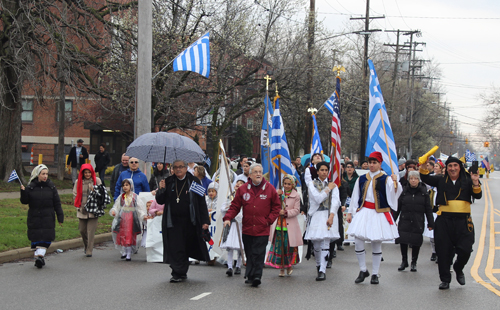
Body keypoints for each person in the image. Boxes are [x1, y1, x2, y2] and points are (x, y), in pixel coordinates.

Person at [420, 157, 481, 290]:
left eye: (455, 165)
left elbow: (478, 195)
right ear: (446, 169)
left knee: (465, 249)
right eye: (450, 166)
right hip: (444, 221)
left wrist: (475, 182)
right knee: (443, 251)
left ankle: (458, 268)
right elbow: (425, 178)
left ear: (460, 167)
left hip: (463, 221)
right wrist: (423, 166)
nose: (452, 168)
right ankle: (445, 279)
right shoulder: (441, 180)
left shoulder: (468, 180)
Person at [346, 151, 402, 284]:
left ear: (380, 164)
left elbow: (394, 194)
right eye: (370, 162)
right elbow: (355, 196)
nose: (371, 165)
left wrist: (396, 183)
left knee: (376, 243)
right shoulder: (362, 178)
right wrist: (350, 212)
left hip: (378, 212)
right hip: (364, 211)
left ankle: (375, 274)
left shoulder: (386, 178)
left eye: (374, 162)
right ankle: (363, 269)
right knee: (358, 240)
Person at [223, 163, 281, 287]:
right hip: (247, 228)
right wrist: (228, 218)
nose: (258, 174)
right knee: (249, 253)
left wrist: (269, 220)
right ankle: (250, 275)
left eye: (260, 172)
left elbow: (277, 207)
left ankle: (257, 276)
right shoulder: (243, 189)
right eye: (255, 172)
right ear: (250, 174)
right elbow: (235, 206)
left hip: (262, 228)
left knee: (258, 253)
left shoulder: (269, 188)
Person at [156, 160, 211, 283]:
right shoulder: (168, 182)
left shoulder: (194, 181)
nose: (178, 169)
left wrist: (205, 221)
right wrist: (161, 189)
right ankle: (177, 272)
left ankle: (182, 271)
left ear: (186, 168)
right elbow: (160, 201)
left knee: (185, 246)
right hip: (173, 222)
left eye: (181, 167)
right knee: (175, 247)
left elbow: (201, 202)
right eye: (175, 167)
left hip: (189, 222)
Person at [20, 164, 64, 268]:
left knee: (46, 239)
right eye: (43, 174)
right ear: (37, 174)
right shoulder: (31, 187)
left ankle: (39, 257)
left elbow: (57, 203)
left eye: (46, 174)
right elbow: (24, 201)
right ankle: (39, 257)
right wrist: (23, 192)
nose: (45, 176)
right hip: (34, 217)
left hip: (48, 217)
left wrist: (60, 216)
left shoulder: (51, 187)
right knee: (36, 239)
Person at [304, 162, 340, 281]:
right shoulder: (312, 184)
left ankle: (322, 270)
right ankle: (318, 264)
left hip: (328, 215)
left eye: (326, 170)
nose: (324, 172)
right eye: (322, 170)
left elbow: (336, 201)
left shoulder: (332, 185)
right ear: (318, 171)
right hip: (316, 215)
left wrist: (332, 215)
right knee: (317, 244)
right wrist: (327, 189)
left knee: (325, 242)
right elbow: (318, 198)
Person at [394, 171, 434, 272]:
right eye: (411, 178)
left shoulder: (424, 192)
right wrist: (392, 220)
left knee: (416, 242)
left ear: (418, 180)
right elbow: (398, 207)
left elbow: (428, 209)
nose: (413, 180)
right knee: (403, 240)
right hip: (405, 219)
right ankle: (404, 261)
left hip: (418, 220)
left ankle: (414, 262)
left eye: (415, 178)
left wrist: (431, 223)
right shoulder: (404, 191)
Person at [265, 174, 303, 277]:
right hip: (278, 225)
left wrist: (286, 213)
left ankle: (289, 265)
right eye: (285, 184)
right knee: (279, 247)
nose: (286, 186)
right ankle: (281, 268)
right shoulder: (278, 194)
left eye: (289, 184)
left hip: (289, 226)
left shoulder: (296, 195)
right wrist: (276, 197)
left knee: (287, 248)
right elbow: (272, 205)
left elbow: (296, 210)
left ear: (293, 185)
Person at [110, 179, 147, 261]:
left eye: (127, 185)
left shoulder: (135, 197)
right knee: (122, 233)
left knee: (129, 234)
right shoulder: (121, 197)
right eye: (123, 185)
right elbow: (116, 206)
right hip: (122, 218)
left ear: (131, 186)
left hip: (131, 219)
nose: (125, 187)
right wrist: (114, 211)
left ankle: (129, 253)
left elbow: (140, 208)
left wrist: (143, 215)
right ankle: (124, 251)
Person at [73, 164, 102, 257]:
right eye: (85, 172)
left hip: (93, 210)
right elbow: (75, 194)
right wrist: (78, 207)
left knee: (90, 231)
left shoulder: (96, 180)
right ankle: (86, 246)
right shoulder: (78, 182)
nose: (87, 174)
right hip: (82, 209)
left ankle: (89, 250)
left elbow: (102, 194)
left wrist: (94, 190)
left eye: (89, 172)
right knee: (82, 230)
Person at [220, 179, 246, 277]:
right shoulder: (230, 196)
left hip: (240, 224)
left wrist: (241, 216)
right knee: (230, 246)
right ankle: (230, 267)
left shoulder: (245, 196)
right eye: (237, 183)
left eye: (241, 184)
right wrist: (227, 207)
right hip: (231, 224)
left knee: (240, 247)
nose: (238, 185)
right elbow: (222, 208)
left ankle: (238, 265)